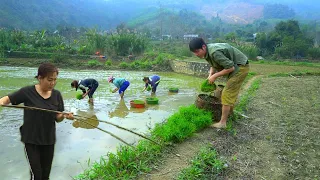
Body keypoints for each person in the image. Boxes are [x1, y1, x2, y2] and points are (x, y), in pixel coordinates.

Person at [0, 62, 74, 180]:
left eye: (55, 79)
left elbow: (57, 117)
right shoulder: (27, 92)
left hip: (48, 140)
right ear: (40, 78)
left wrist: (65, 116)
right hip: (31, 140)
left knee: (45, 176)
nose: (53, 83)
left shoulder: (57, 95)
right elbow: (7, 99)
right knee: (36, 176)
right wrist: (1, 102)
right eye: (50, 80)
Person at [189, 37, 249, 129]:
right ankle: (230, 115)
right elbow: (213, 64)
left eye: (197, 51)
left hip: (241, 67)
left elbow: (230, 68)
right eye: (194, 52)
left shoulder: (214, 52)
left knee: (226, 93)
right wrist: (210, 75)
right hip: (236, 66)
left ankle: (222, 123)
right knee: (229, 93)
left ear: (203, 47)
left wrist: (215, 76)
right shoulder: (208, 52)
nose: (196, 54)